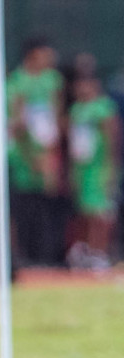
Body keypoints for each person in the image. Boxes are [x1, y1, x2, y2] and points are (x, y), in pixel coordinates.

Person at [8, 38, 64, 266]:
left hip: (48, 153)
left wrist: (51, 155)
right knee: (25, 208)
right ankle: (26, 257)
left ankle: (50, 256)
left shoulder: (53, 80)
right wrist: (31, 156)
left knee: (50, 207)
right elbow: (17, 124)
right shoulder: (17, 82)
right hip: (25, 158)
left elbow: (56, 117)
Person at [67, 70, 118, 269]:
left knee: (100, 213)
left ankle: (99, 252)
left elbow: (112, 139)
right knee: (84, 212)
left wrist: (109, 167)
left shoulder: (103, 108)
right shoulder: (76, 110)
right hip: (82, 168)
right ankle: (85, 250)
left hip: (99, 168)